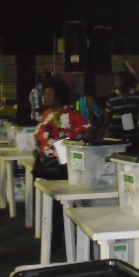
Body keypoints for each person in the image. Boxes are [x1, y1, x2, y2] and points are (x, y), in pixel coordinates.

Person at [33, 77, 91, 254]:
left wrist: (74, 152)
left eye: (49, 94)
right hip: (48, 165)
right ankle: (57, 236)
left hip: (62, 167)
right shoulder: (47, 113)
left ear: (59, 96)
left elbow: (87, 131)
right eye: (44, 94)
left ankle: (59, 238)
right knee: (52, 204)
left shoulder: (70, 113)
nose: (45, 97)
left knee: (59, 205)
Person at [96, 71, 139, 153]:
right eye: (115, 81)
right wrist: (102, 129)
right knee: (116, 156)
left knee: (132, 156)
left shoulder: (138, 95)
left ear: (127, 80)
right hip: (115, 133)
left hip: (132, 135)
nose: (117, 83)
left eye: (119, 80)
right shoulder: (112, 96)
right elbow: (107, 115)